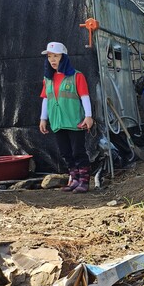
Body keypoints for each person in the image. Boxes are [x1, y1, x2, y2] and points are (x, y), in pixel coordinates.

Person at [39, 41, 94, 193]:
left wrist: (88, 117)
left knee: (78, 151)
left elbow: (85, 97)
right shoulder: (47, 79)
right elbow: (45, 99)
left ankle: (84, 180)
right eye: (50, 56)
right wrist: (43, 119)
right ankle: (74, 179)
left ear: (63, 57)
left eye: (56, 56)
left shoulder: (76, 76)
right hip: (57, 122)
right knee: (65, 152)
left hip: (75, 121)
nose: (52, 60)